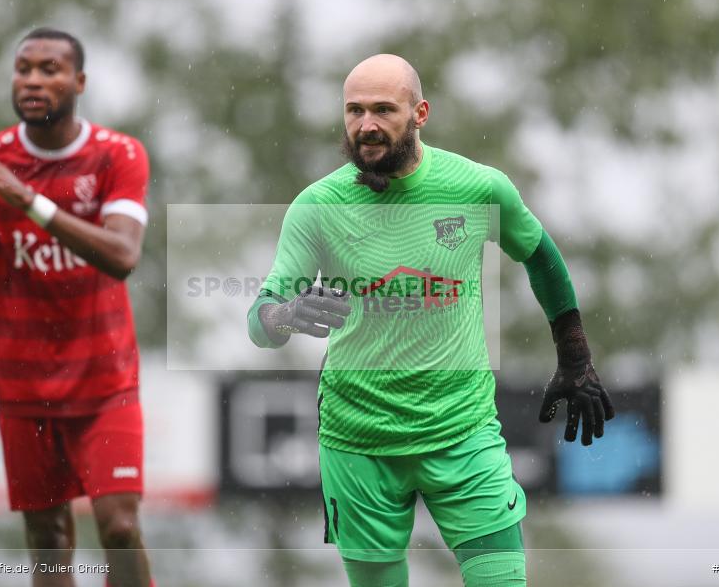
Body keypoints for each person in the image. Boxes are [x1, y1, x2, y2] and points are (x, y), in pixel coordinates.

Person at [247, 54, 614, 587]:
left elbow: (541, 256)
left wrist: (575, 355)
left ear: (420, 113)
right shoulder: (317, 206)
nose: (365, 125)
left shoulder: (477, 188)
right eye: (353, 111)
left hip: (462, 434)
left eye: (382, 109)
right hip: (358, 442)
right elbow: (259, 320)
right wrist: (285, 313)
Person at [0, 28, 154, 587]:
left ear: (78, 82)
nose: (32, 79)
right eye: (23, 68)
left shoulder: (117, 155)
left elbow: (123, 256)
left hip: (106, 382)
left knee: (120, 527)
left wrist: (30, 200)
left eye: (49, 69)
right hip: (25, 389)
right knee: (48, 542)